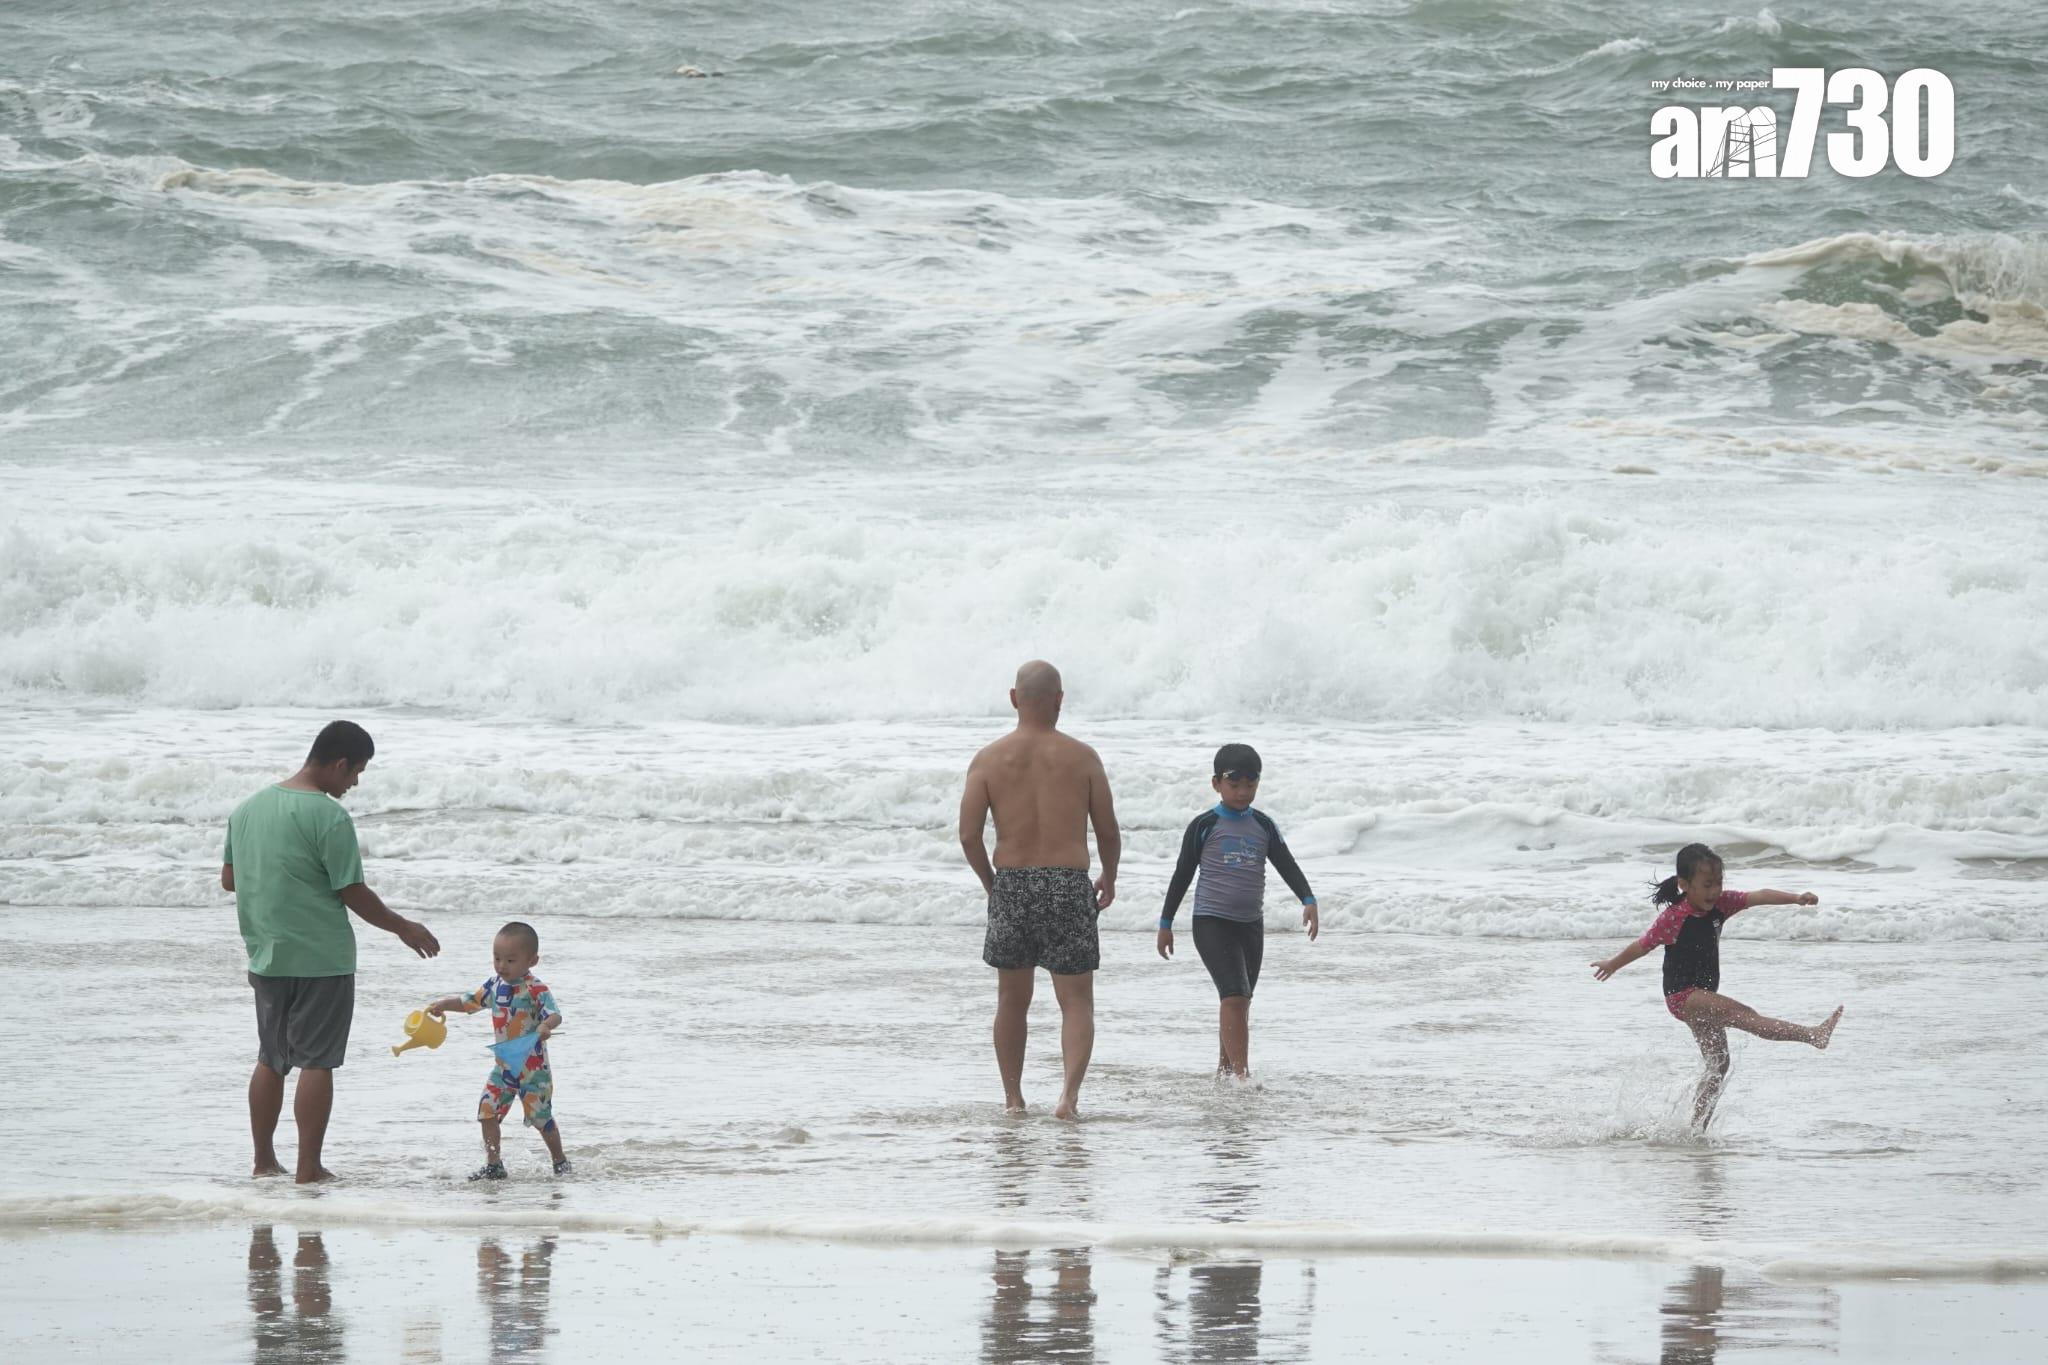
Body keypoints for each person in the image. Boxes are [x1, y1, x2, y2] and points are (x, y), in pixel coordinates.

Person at [224, 720, 440, 1183]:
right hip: (322, 959)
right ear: (340, 764)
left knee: (270, 1059)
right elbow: (352, 891)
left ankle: (263, 1162)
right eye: (357, 772)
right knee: (317, 1061)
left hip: (265, 954)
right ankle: (309, 1168)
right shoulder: (329, 816)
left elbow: (230, 880)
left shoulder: (247, 809)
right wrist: (403, 928)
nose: (355, 782)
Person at [959, 660, 1121, 1121]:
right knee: (1076, 1002)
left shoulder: (988, 759)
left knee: (1012, 1001)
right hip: (1067, 884)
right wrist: (1109, 876)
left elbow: (969, 835)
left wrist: (993, 885)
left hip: (1013, 884)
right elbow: (1107, 831)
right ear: (1059, 700)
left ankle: (1013, 1100)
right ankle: (1067, 1097)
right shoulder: (1082, 758)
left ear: (1014, 698)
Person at [1591, 842, 1843, 1129]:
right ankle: (1812, 1035)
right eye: (1707, 885)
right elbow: (1642, 945)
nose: (1714, 891)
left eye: (1719, 883)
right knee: (1744, 1014)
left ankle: (1696, 1129)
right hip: (1683, 996)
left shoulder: (1722, 904)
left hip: (1702, 997)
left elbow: (1758, 895)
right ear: (1685, 885)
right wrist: (1613, 964)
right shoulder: (1674, 917)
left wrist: (1796, 898)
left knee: (1718, 1065)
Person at [1155, 743, 1319, 1080]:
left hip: (1250, 924)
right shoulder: (1204, 825)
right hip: (1211, 921)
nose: (1243, 792)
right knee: (1234, 994)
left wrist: (1308, 899)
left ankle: (1225, 1072)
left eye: (1250, 784)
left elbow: (1286, 863)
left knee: (1240, 999)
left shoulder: (1263, 825)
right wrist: (1165, 923)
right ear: (1216, 783)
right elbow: (1182, 874)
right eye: (1234, 785)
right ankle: (1242, 1077)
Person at [424, 921, 570, 1179]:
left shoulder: (536, 989)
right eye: (497, 958)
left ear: (532, 961)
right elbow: (469, 1002)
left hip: (533, 1070)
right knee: (486, 1111)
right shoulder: (494, 985)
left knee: (541, 1118)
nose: (502, 965)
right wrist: (444, 1004)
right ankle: (494, 1165)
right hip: (503, 1068)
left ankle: (560, 1161)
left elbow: (555, 1015)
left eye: (510, 960)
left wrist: (545, 1026)